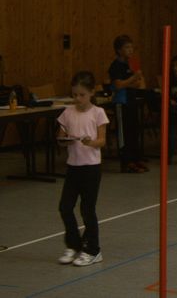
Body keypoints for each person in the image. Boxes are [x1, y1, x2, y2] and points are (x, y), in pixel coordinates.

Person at [56, 71, 110, 267]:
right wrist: (64, 140)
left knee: (87, 210)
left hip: (91, 168)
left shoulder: (98, 113)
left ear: (91, 92)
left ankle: (93, 250)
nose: (78, 99)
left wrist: (90, 142)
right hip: (73, 167)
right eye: (75, 95)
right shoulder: (67, 112)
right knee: (65, 207)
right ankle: (74, 245)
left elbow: (102, 140)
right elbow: (60, 137)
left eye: (82, 95)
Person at [108, 34, 147, 173]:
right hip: (121, 102)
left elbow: (139, 84)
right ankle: (126, 162)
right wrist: (133, 78)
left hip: (132, 101)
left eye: (131, 47)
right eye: (127, 47)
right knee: (124, 133)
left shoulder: (130, 64)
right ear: (119, 50)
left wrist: (131, 82)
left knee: (134, 131)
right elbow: (118, 85)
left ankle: (135, 159)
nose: (130, 50)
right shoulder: (115, 66)